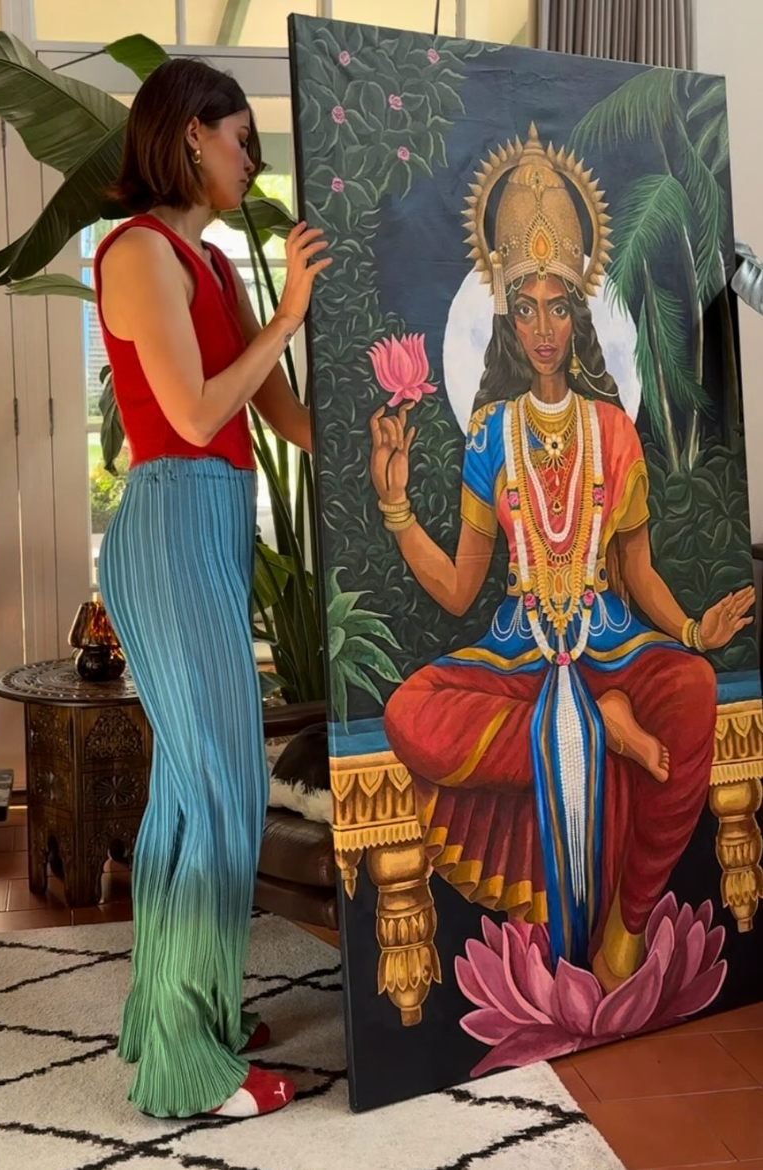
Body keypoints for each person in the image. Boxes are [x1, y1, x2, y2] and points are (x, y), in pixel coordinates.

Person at [373, 124, 753, 992]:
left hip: (609, 638)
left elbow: (640, 572)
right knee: (410, 711)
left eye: (558, 306)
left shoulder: (613, 430)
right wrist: (396, 509)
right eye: (528, 307)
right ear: (508, 317)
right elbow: (461, 588)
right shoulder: (489, 435)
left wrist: (692, 630)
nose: (544, 327)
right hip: (521, 652)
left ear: (579, 314)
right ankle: (589, 723)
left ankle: (626, 924)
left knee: (693, 690)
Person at [93, 58, 331, 1119]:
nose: (253, 161)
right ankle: (191, 1069)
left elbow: (283, 417)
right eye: (241, 138)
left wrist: (393, 446)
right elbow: (192, 415)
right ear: (190, 133)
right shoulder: (139, 253)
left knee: (193, 791)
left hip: (216, 529)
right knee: (222, 791)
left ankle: (176, 1016)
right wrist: (289, 314)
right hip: (168, 524)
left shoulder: (216, 267)